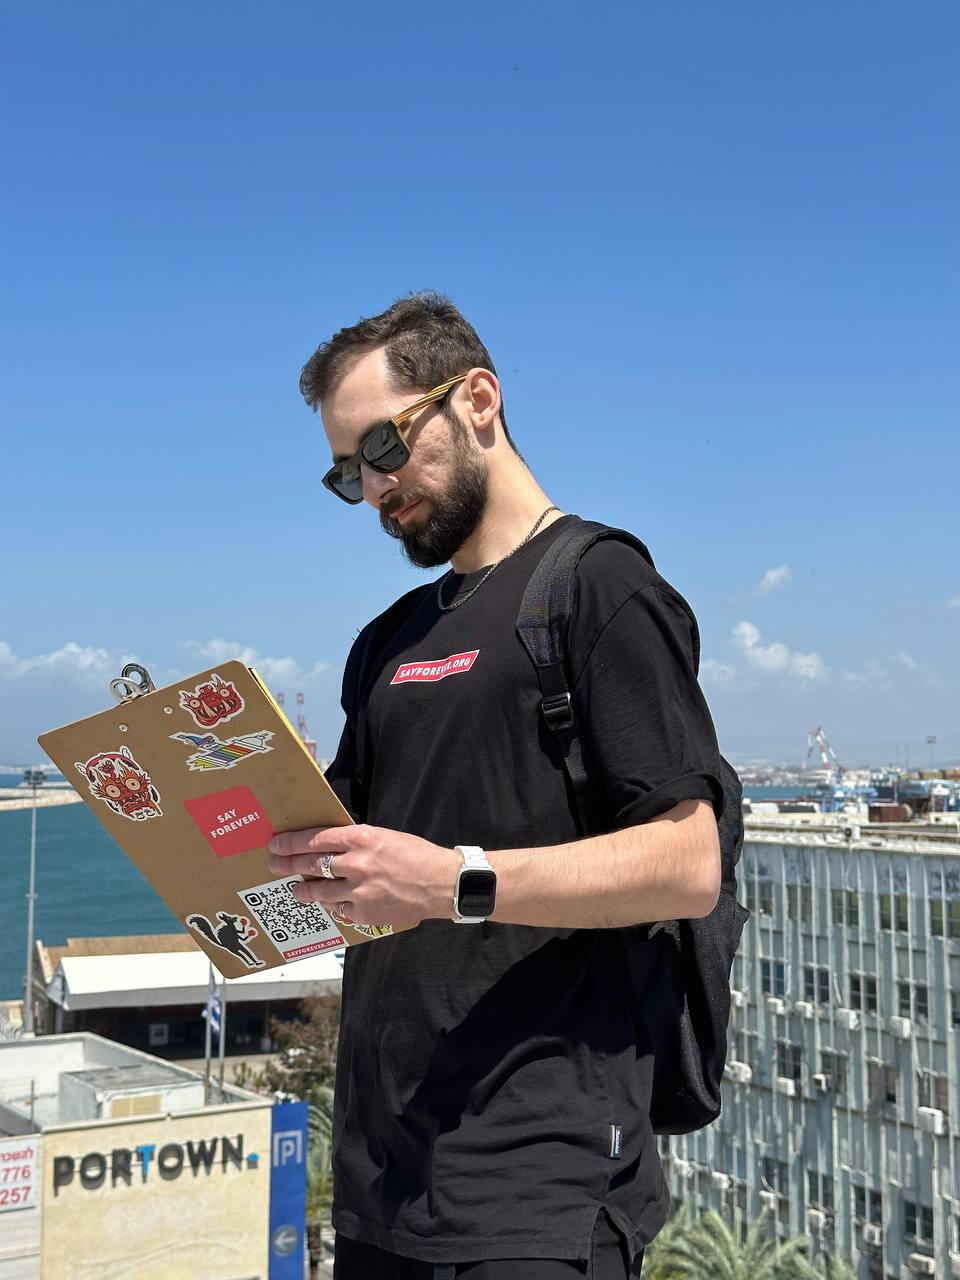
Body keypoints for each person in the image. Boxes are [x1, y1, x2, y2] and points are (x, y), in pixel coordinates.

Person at [268, 292, 725, 1279]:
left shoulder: (598, 586)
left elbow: (691, 859)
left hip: (539, 1184)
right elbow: (355, 868)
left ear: (477, 398)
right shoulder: (387, 641)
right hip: (382, 1179)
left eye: (384, 447)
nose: (376, 488)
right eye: (348, 472)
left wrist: (454, 881)